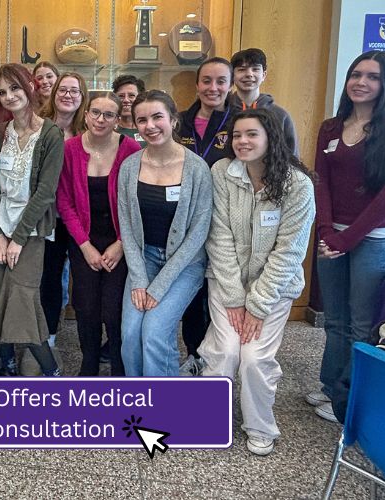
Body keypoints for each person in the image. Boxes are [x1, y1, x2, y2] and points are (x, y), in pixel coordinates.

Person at [309, 50, 385, 423]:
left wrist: (346, 240)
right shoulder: (331, 127)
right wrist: (326, 230)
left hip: (376, 240)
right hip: (333, 238)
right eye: (356, 74)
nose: (361, 82)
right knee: (335, 320)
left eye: (372, 77)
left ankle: (352, 398)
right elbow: (321, 182)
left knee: (362, 324)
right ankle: (332, 387)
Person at [198, 108, 315, 456]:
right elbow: (218, 237)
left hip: (274, 288)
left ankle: (260, 426)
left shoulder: (298, 185)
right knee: (225, 351)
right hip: (227, 282)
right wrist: (235, 298)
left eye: (252, 134)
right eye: (237, 135)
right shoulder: (222, 172)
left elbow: (289, 252)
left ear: (270, 139)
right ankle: (207, 419)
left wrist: (257, 305)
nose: (243, 141)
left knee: (253, 357)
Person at [118, 90, 212, 377]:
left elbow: (199, 232)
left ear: (173, 120)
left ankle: (164, 401)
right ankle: (139, 398)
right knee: (130, 335)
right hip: (144, 259)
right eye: (142, 120)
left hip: (185, 265)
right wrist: (139, 280)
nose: (150, 126)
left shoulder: (197, 169)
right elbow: (127, 227)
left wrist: (158, 287)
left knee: (155, 333)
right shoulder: (129, 167)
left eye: (157, 117)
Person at [0, 63, 63, 377]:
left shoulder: (50, 133)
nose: (9, 96)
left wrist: (17, 238)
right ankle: (8, 366)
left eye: (14, 88)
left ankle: (52, 372)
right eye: (2, 92)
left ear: (30, 86)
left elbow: (46, 192)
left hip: (31, 232)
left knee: (21, 300)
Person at [57, 92, 140, 376]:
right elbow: (64, 201)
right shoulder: (69, 149)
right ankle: (89, 364)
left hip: (120, 240)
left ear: (118, 120)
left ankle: (119, 368)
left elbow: (136, 201)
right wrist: (84, 245)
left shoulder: (130, 149)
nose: (100, 119)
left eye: (108, 115)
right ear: (86, 114)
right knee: (86, 307)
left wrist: (121, 244)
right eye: (95, 112)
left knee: (115, 310)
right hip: (84, 241)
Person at [177, 56, 234, 376]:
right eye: (207, 81)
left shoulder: (239, 122)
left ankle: (220, 356)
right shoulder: (180, 122)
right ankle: (193, 352)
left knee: (221, 290)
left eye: (221, 81)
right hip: (187, 219)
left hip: (226, 220)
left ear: (230, 85)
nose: (213, 88)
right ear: (197, 84)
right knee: (192, 292)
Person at [38, 72, 89, 344]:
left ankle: (86, 341)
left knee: (83, 279)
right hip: (49, 218)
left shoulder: (89, 132)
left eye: (74, 91)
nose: (68, 95)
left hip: (80, 219)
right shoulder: (39, 127)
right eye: (63, 90)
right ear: (54, 93)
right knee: (50, 278)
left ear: (82, 97)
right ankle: (48, 338)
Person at [228, 48, 298, 155]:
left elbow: (292, 157)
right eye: (242, 70)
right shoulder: (223, 111)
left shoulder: (280, 115)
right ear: (232, 76)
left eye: (255, 69)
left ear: (264, 75)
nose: (249, 74)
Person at [112, 74, 146, 147]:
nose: (126, 100)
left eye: (131, 95)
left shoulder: (149, 128)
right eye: (121, 96)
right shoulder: (109, 129)